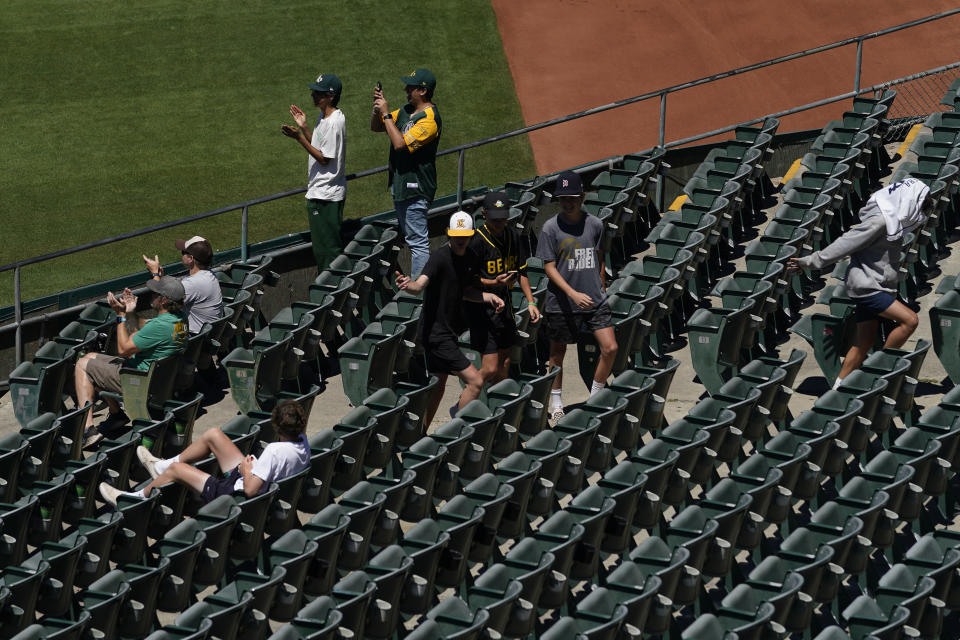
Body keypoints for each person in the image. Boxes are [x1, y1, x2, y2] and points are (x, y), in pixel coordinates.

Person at [787, 177, 932, 388]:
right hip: (868, 287)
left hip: (876, 285)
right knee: (910, 321)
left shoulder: (892, 221)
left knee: (862, 344)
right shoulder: (880, 222)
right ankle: (880, 371)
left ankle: (838, 388)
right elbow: (844, 244)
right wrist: (809, 262)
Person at [395, 211, 505, 427]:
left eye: (464, 235)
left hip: (449, 332)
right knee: (475, 381)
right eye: (456, 235)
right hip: (435, 334)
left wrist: (488, 296)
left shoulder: (471, 258)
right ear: (448, 234)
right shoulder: (439, 258)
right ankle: (455, 429)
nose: (460, 239)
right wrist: (408, 285)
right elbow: (419, 286)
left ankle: (421, 432)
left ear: (471, 235)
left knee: (438, 386)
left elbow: (466, 291)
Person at [98, 399, 310, 507]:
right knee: (213, 435)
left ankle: (133, 499)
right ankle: (159, 466)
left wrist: (247, 470)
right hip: (253, 482)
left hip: (233, 496)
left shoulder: (274, 450)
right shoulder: (303, 442)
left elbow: (250, 491)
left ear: (276, 426)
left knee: (177, 470)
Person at [535, 170, 618, 423]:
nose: (568, 202)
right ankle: (557, 403)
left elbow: (600, 256)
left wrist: (600, 285)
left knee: (610, 347)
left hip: (594, 300)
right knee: (557, 354)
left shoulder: (595, 224)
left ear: (582, 197)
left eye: (572, 197)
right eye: (563, 199)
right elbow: (549, 267)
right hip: (561, 302)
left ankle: (595, 398)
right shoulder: (550, 228)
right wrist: (572, 293)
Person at [74, 276, 189, 447]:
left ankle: (88, 429)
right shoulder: (179, 319)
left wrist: (120, 316)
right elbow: (140, 334)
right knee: (91, 357)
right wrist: (130, 311)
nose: (151, 296)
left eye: (155, 293)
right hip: (158, 379)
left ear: (164, 300)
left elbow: (123, 350)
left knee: (82, 366)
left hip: (137, 380)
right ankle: (116, 414)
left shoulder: (159, 327)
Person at [371, 68, 441, 277]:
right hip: (401, 185)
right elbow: (377, 127)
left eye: (410, 87)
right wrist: (377, 111)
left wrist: (385, 113)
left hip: (416, 188)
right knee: (412, 239)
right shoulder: (405, 110)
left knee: (417, 242)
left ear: (423, 91)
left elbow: (400, 143)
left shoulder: (429, 120)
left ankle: (419, 293)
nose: (406, 89)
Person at [468, 191, 541, 385]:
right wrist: (494, 283)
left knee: (505, 361)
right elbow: (467, 283)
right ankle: (470, 397)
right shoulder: (476, 241)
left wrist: (531, 301)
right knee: (490, 367)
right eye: (494, 219)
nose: (499, 222)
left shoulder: (514, 236)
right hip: (481, 311)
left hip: (505, 309)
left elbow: (522, 272)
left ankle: (497, 406)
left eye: (502, 218)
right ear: (484, 214)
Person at [282, 73, 347, 271]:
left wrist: (299, 137)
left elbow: (324, 158)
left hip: (325, 196)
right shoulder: (325, 117)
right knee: (322, 250)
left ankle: (334, 291)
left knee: (328, 252)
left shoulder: (334, 122)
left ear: (331, 96)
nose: (313, 95)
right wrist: (305, 127)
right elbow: (320, 146)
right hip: (322, 193)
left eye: (319, 93)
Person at [143, 236, 223, 334]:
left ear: (190, 258)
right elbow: (174, 289)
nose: (181, 255)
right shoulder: (208, 274)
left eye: (183, 252)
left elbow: (161, 303)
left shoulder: (194, 283)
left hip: (190, 339)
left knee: (143, 330)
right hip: (205, 336)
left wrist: (155, 274)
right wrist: (161, 277)